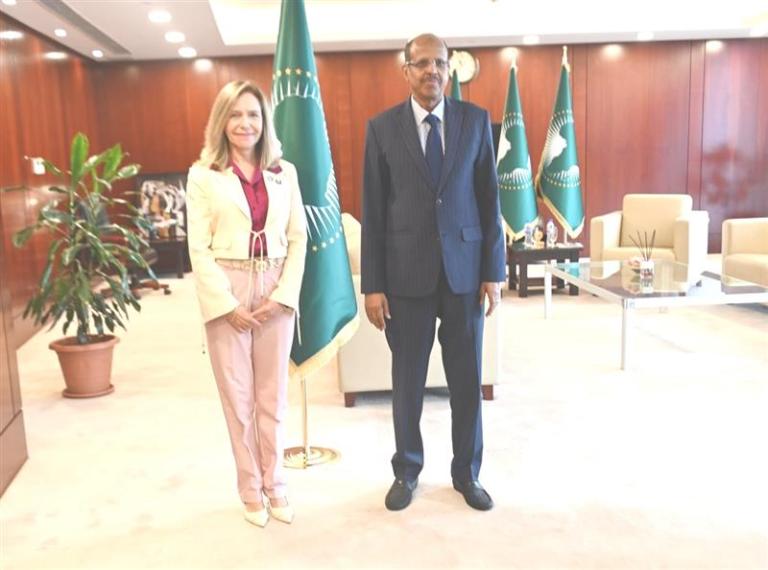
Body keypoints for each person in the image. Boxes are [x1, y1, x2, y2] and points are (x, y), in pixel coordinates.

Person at [361, 34, 505, 512]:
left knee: (467, 382)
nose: (432, 71)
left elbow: (489, 200)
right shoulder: (381, 129)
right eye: (421, 63)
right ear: (406, 71)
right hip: (405, 278)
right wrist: (374, 285)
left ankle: (467, 473)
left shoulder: (475, 121)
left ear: (450, 69)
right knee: (407, 382)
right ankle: (407, 471)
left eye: (439, 63)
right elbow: (375, 211)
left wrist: (494, 271)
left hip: (465, 274)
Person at [187, 80, 307, 527]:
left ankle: (276, 485)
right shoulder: (203, 174)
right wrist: (224, 304)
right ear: (222, 121)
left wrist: (284, 296)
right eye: (235, 115)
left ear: (264, 121)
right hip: (228, 283)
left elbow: (299, 237)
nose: (245, 123)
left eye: (253, 114)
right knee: (238, 398)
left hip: (275, 283)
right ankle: (249, 488)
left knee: (272, 396)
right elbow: (197, 247)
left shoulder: (285, 171)